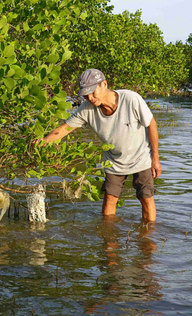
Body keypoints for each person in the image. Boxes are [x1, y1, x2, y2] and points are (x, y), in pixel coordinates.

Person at [37, 69, 162, 222]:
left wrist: (155, 157)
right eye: (85, 94)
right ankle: (109, 240)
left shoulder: (131, 99)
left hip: (141, 157)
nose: (89, 98)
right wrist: (42, 142)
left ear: (104, 84)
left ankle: (148, 239)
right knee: (109, 199)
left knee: (146, 198)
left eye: (92, 92)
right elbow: (64, 129)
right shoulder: (86, 109)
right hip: (114, 161)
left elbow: (151, 124)